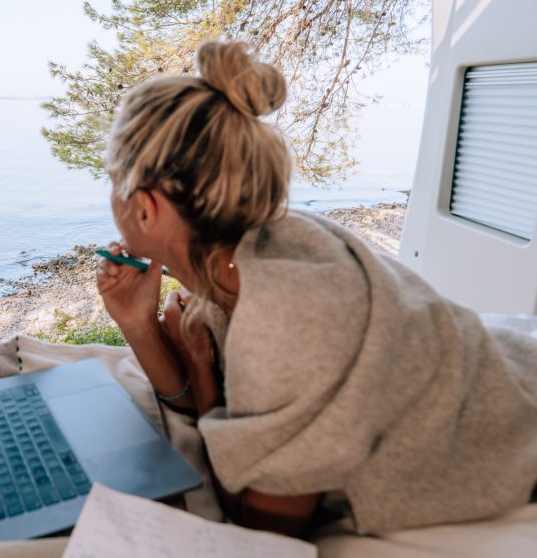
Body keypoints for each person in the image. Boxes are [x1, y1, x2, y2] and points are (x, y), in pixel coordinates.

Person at [95, 41, 537, 537]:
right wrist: (137, 323)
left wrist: (200, 368)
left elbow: (261, 525)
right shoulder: (241, 246)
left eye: (113, 179)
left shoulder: (285, 322)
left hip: (513, 427)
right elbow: (213, 407)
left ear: (147, 208)